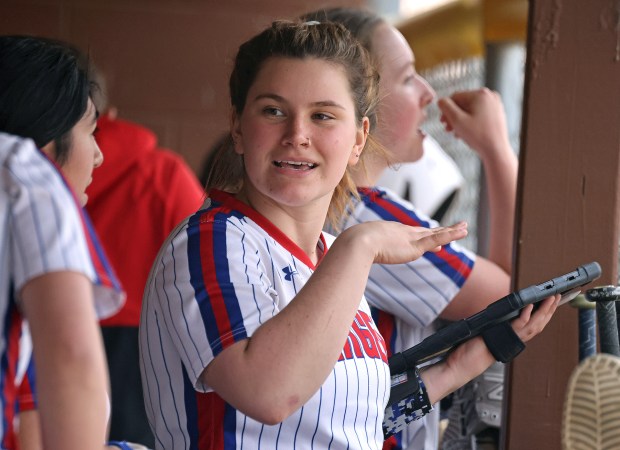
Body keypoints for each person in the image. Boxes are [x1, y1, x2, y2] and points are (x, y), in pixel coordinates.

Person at [139, 20, 558, 449]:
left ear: (359, 138)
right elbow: (269, 394)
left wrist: (459, 369)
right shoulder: (210, 241)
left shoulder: (328, 252)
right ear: (238, 127)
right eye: (273, 111)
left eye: (322, 115)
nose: (297, 135)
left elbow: (354, 423)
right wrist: (362, 245)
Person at [301, 7, 519, 450]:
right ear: (361, 107)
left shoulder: (339, 207)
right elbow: (513, 294)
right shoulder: (361, 214)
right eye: (406, 78)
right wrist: (497, 150)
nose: (427, 93)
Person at [0, 35, 124, 449]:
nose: (98, 156)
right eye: (92, 132)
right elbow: (70, 363)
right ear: (49, 142)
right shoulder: (29, 177)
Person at [85, 73, 204, 447]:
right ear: (112, 114)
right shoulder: (163, 173)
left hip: (51, 333)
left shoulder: (29, 172)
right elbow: (206, 257)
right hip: (140, 349)